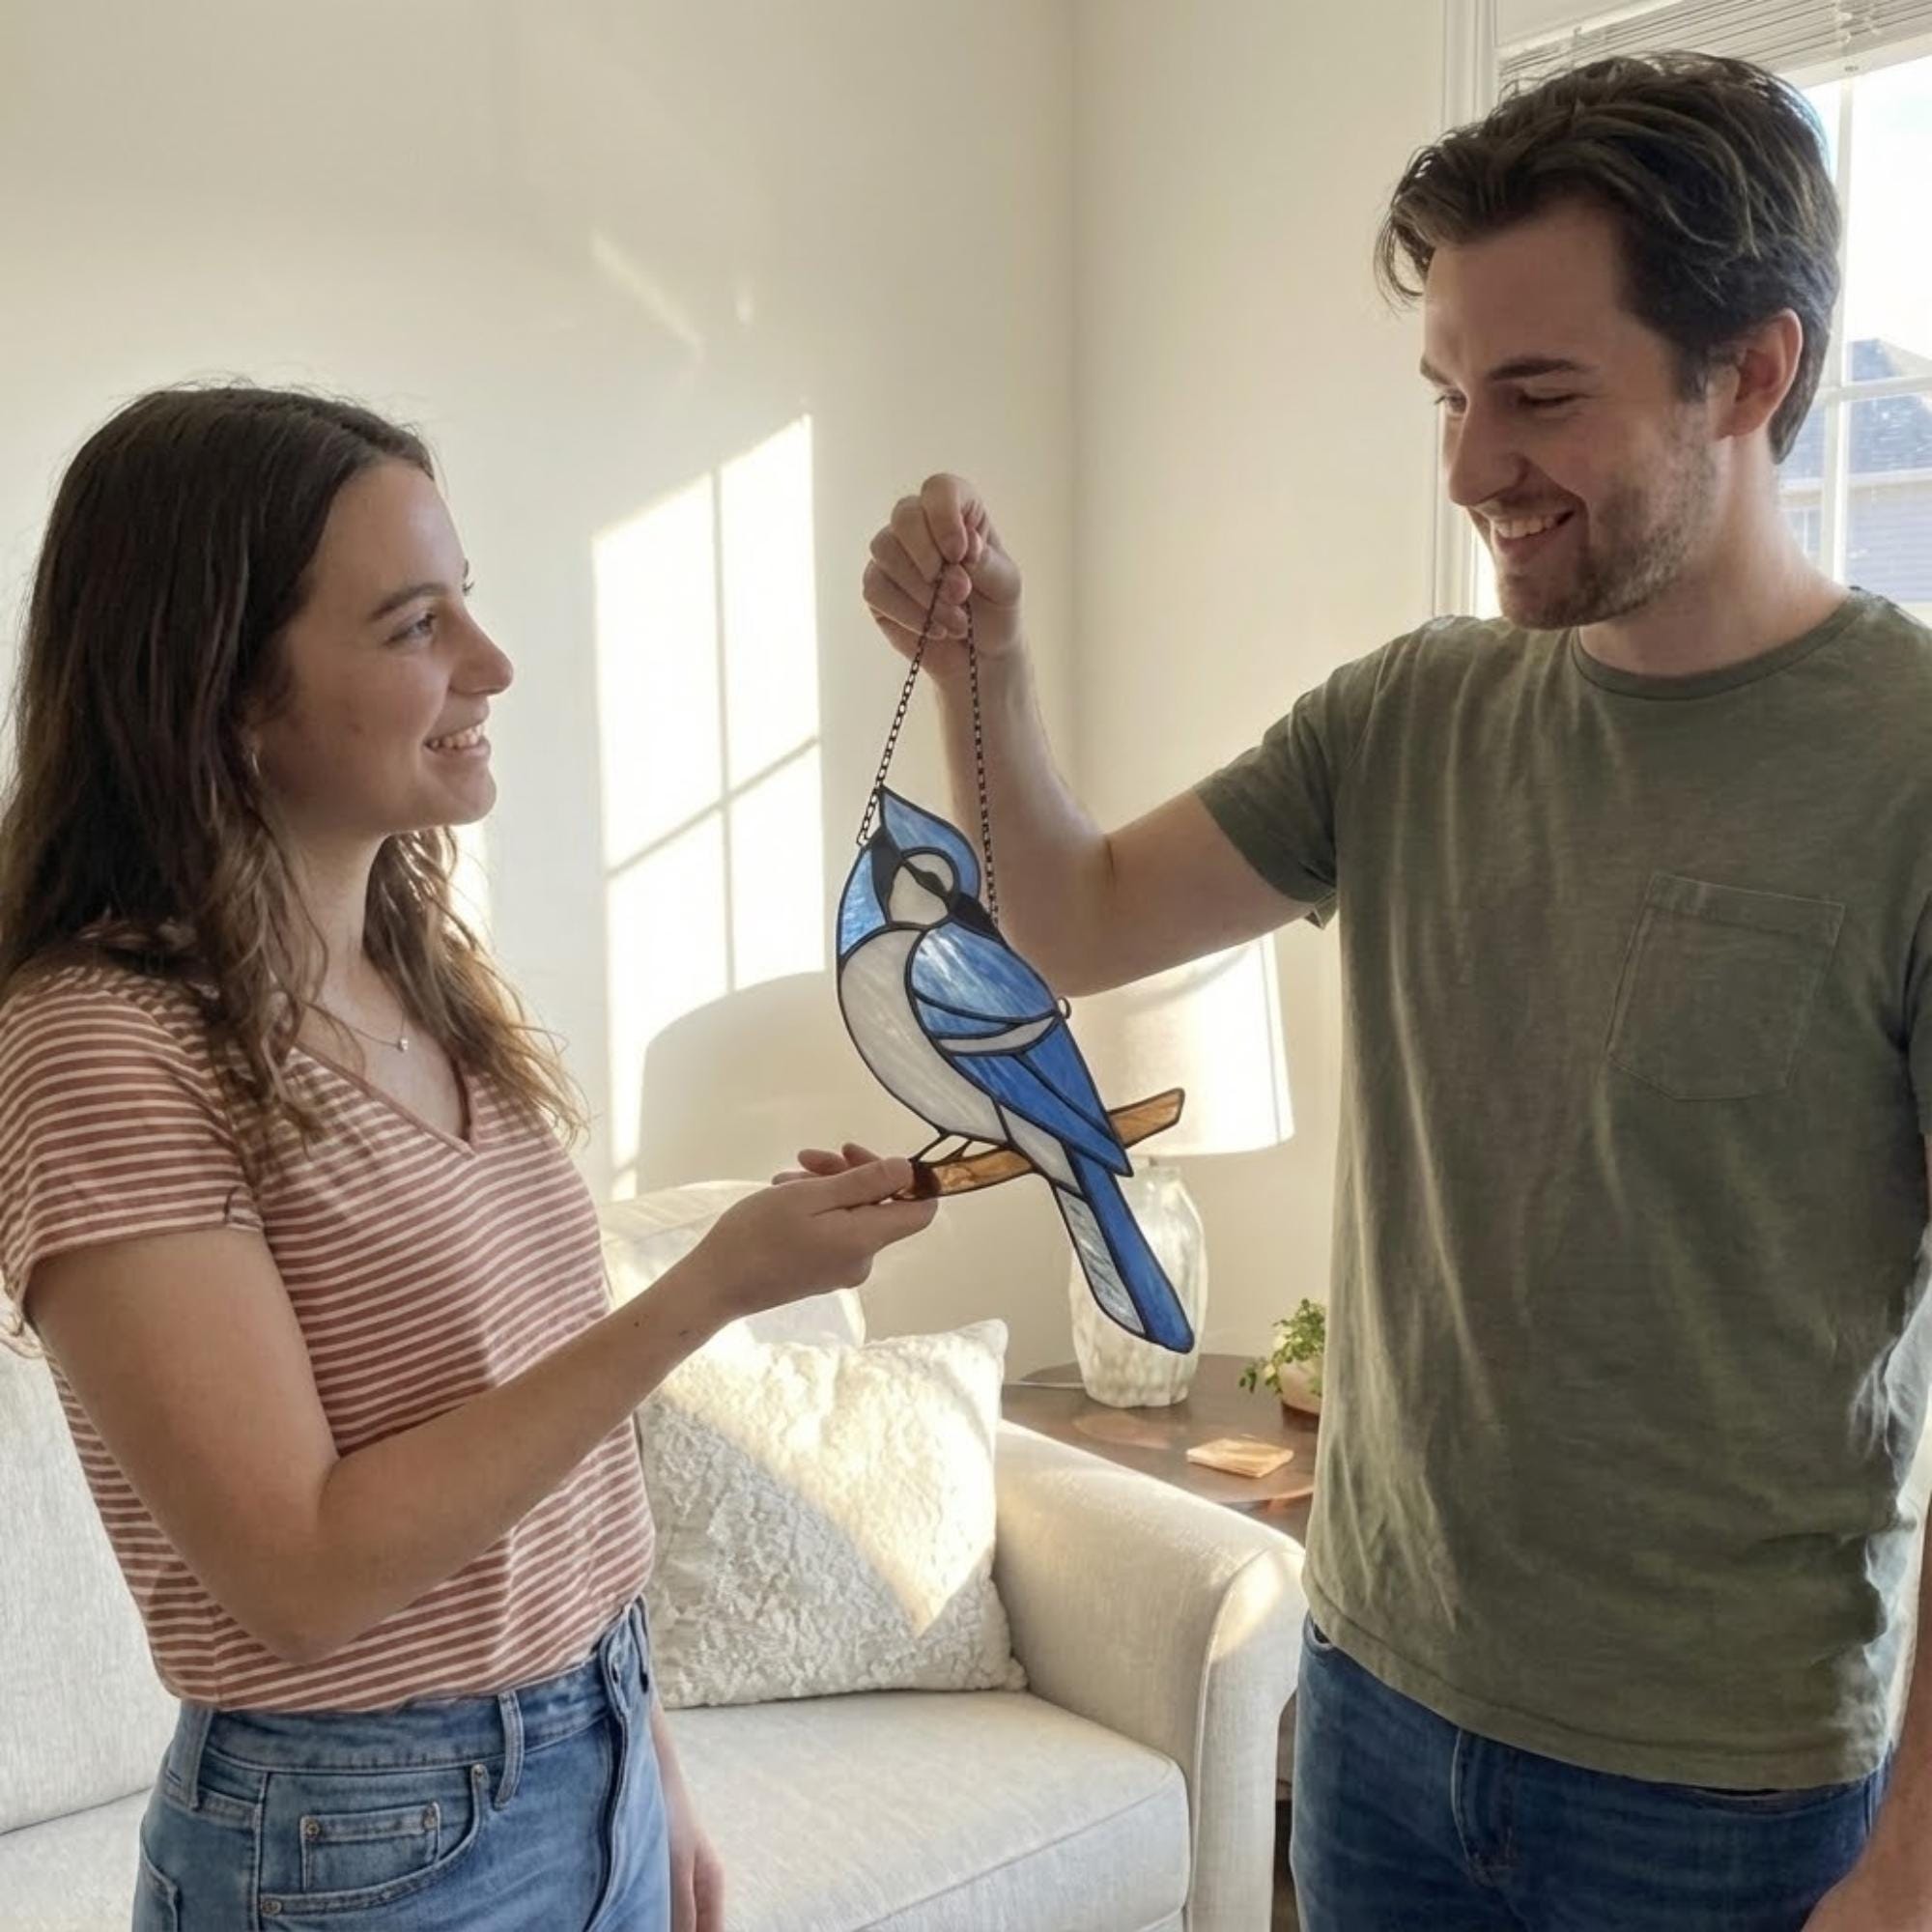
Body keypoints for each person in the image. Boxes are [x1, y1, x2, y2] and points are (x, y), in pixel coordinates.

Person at [856, 51, 1932, 1932]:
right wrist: (985, 666)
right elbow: (1071, 921)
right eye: (1445, 394)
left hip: (1720, 1788)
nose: (1462, 468)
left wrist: (1912, 1869)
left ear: (1750, 374)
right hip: (1373, 1700)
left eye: (1534, 395)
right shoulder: (1413, 712)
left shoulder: (1906, 768)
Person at [0, 384, 936, 1932]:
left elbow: (544, 1468)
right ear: (224, 688)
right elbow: (300, 1571)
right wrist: (707, 1290)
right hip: (359, 1841)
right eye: (415, 625)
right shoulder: (103, 1045)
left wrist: (651, 1774)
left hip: (598, 1750)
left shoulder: (417, 975)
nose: (491, 667)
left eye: (469, 607)